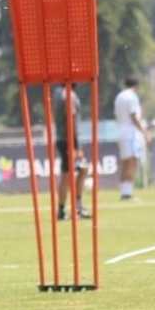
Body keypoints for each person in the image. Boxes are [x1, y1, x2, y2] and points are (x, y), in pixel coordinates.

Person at [53, 86, 89, 220]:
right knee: (67, 174)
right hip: (69, 139)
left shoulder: (58, 93)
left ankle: (74, 207)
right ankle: (65, 209)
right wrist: (76, 145)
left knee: (81, 169)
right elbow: (71, 118)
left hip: (63, 138)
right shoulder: (69, 94)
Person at [113, 78, 149, 201]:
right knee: (132, 163)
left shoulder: (119, 96)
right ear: (136, 86)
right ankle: (127, 193)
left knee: (126, 163)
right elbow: (134, 116)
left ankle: (125, 192)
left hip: (121, 131)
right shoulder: (132, 97)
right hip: (131, 134)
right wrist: (144, 132)